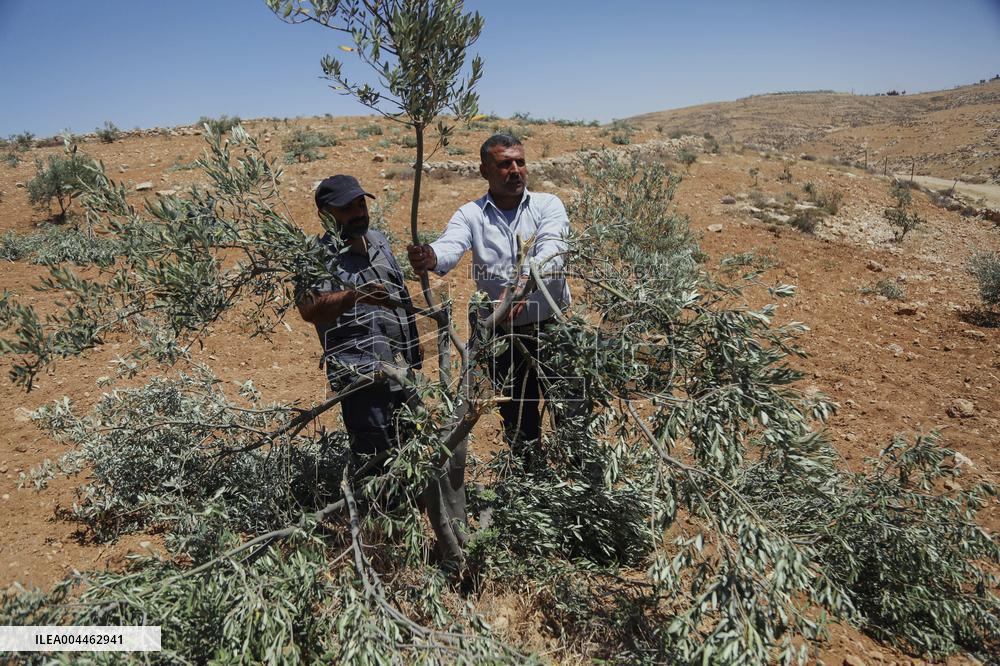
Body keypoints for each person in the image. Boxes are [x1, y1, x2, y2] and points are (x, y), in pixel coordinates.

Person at [407, 133, 571, 456]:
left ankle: (583, 485)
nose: (515, 170)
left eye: (520, 162)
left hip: (551, 328)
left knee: (569, 409)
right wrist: (430, 256)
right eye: (504, 164)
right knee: (517, 421)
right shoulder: (471, 214)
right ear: (485, 171)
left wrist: (520, 287)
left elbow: (553, 250)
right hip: (503, 337)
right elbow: (450, 245)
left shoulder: (548, 205)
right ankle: (530, 484)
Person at [297, 175, 422, 461]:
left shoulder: (378, 241)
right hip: (361, 375)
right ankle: (382, 507)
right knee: (376, 459)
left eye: (361, 205)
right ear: (324, 215)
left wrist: (414, 346)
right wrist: (354, 296)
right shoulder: (317, 257)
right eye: (347, 209)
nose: (358, 214)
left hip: (402, 370)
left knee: (412, 450)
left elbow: (401, 295)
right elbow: (309, 309)